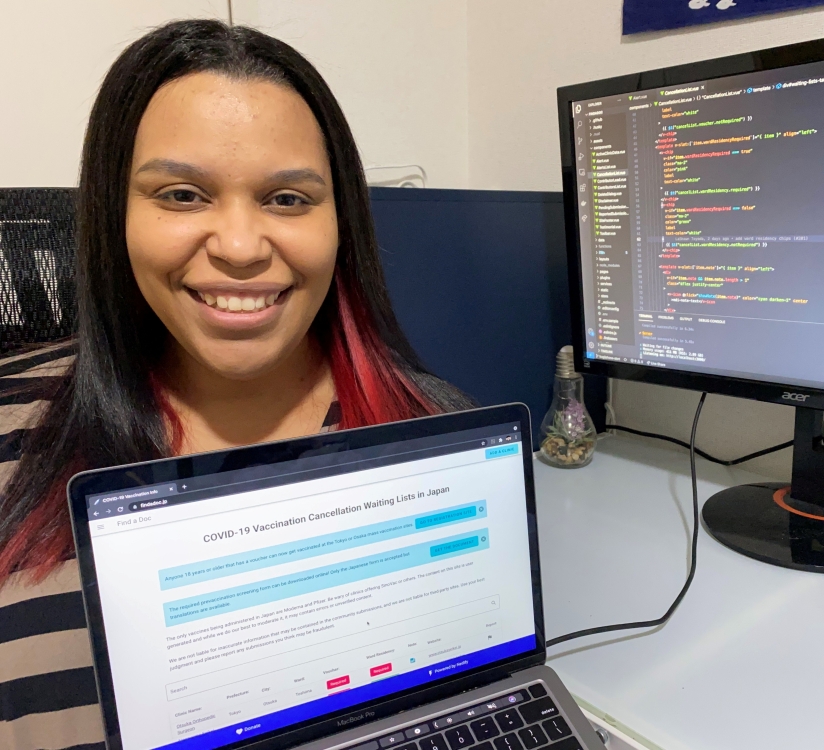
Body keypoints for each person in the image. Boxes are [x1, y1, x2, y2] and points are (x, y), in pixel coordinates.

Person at [0, 20, 471, 750]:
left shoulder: (434, 433)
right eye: (183, 194)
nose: (243, 248)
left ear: (340, 222)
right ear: (112, 212)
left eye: (288, 199)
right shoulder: (9, 431)